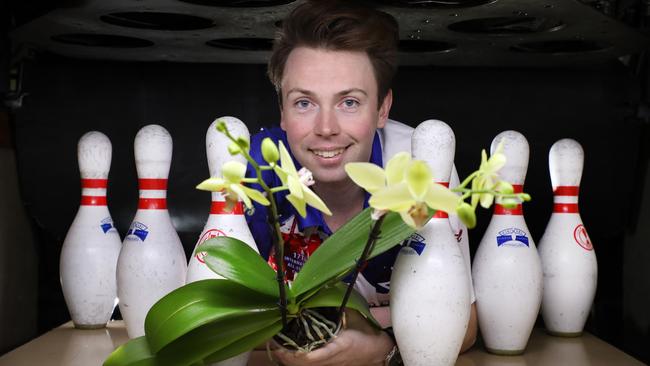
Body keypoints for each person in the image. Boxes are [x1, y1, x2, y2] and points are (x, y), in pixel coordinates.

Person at [246, 1, 477, 364]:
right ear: (282, 112)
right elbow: (216, 324)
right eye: (304, 102)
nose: (326, 128)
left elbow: (464, 325)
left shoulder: (424, 166)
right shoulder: (254, 170)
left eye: (349, 102)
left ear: (382, 108)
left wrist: (382, 349)